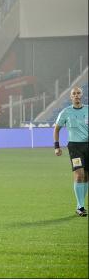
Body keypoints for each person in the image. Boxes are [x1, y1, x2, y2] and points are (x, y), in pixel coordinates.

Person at [54, 86, 88, 217]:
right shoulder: (65, 112)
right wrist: (57, 146)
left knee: (86, 176)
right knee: (79, 175)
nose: (77, 95)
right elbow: (56, 129)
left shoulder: (88, 109)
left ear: (82, 95)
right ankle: (80, 206)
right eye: (74, 93)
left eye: (79, 93)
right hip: (75, 147)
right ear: (71, 97)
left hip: (88, 146)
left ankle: (81, 204)